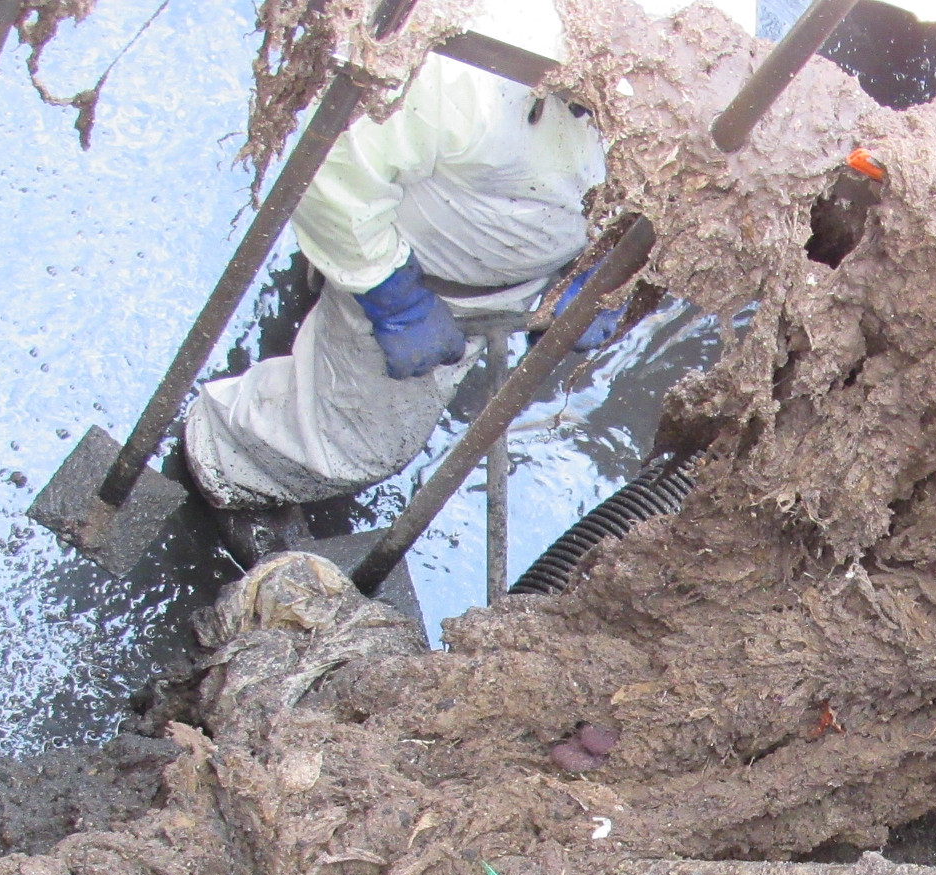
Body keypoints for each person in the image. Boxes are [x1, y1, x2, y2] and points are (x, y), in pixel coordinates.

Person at [181, 0, 616, 513]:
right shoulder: (473, 56)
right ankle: (225, 462)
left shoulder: (687, 50)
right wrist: (392, 296)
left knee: (363, 228)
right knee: (355, 447)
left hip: (503, 235)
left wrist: (604, 265)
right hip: (419, 269)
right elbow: (333, 168)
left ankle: (330, 277)